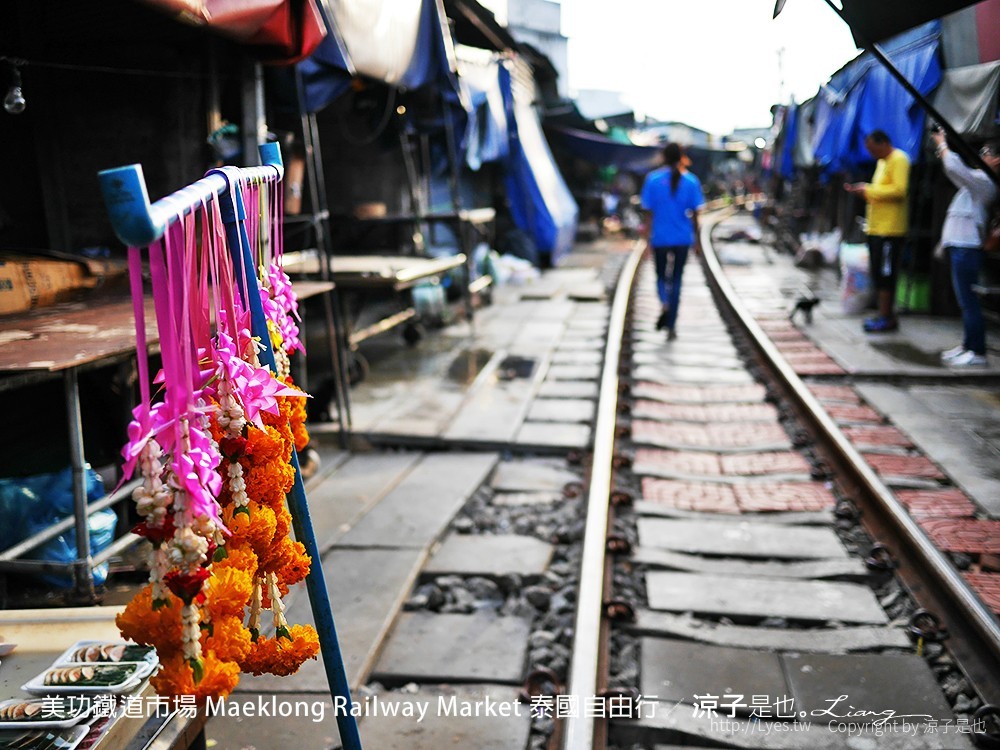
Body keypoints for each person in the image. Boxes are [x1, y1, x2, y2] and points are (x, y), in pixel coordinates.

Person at [933, 132, 1000, 367]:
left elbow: (953, 167)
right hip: (960, 248)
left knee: (969, 301)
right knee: (965, 301)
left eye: (986, 153)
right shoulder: (977, 179)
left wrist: (941, 143)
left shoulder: (985, 182)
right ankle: (968, 345)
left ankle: (977, 351)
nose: (981, 156)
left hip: (967, 248)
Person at [844, 130, 911, 333]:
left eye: (873, 149)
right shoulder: (882, 162)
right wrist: (865, 190)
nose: (871, 154)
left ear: (883, 143)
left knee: (886, 274)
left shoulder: (899, 159)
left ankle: (886, 317)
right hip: (876, 228)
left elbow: (899, 190)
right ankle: (883, 314)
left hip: (890, 230)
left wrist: (869, 190)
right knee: (879, 273)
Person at [640, 142, 704, 340]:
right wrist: (697, 242)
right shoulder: (691, 181)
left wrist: (645, 242)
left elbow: (648, 215)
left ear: (663, 157)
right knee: (676, 279)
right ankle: (672, 324)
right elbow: (695, 217)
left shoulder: (653, 180)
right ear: (681, 156)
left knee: (660, 277)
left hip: (660, 238)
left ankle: (665, 302)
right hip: (682, 238)